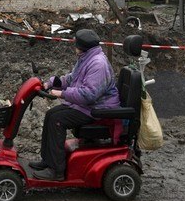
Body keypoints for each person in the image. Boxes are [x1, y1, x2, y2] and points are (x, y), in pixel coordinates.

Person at [29, 29, 120, 181]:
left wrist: (62, 94)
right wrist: (52, 83)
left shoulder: (98, 64)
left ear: (82, 46)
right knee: (51, 114)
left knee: (57, 121)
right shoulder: (86, 58)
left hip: (98, 109)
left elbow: (88, 94)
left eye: (75, 44)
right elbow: (73, 78)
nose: (74, 46)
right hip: (88, 106)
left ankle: (56, 171)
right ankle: (48, 160)